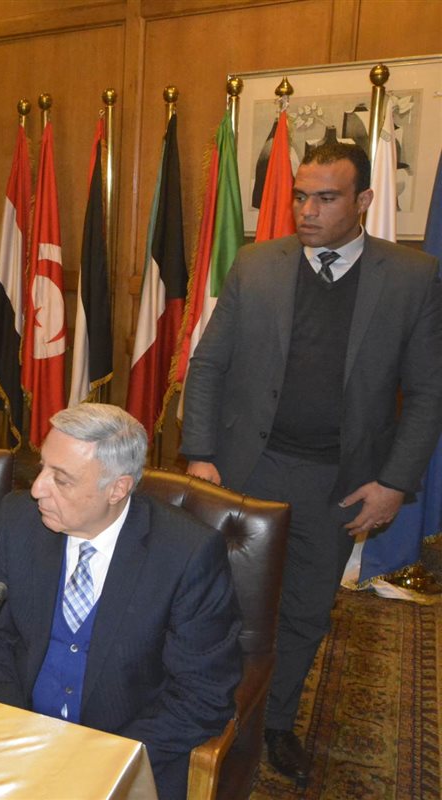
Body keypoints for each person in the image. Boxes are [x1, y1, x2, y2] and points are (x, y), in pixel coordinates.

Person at [181, 142, 442, 786]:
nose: (307, 211)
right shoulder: (256, 264)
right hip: (246, 469)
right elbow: (208, 364)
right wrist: (202, 454)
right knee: (218, 600)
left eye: (326, 198)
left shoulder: (411, 277)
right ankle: (207, 710)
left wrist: (394, 483)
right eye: (301, 196)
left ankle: (275, 721)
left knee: (302, 611)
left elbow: (428, 392)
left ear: (364, 201)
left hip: (338, 482)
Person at [0, 404, 241, 800]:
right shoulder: (19, 519)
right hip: (17, 740)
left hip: (123, 760)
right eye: (42, 468)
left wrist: (103, 759)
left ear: (117, 489)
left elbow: (204, 694)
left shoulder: (187, 554)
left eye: (61, 479)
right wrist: (16, 727)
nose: (37, 488)